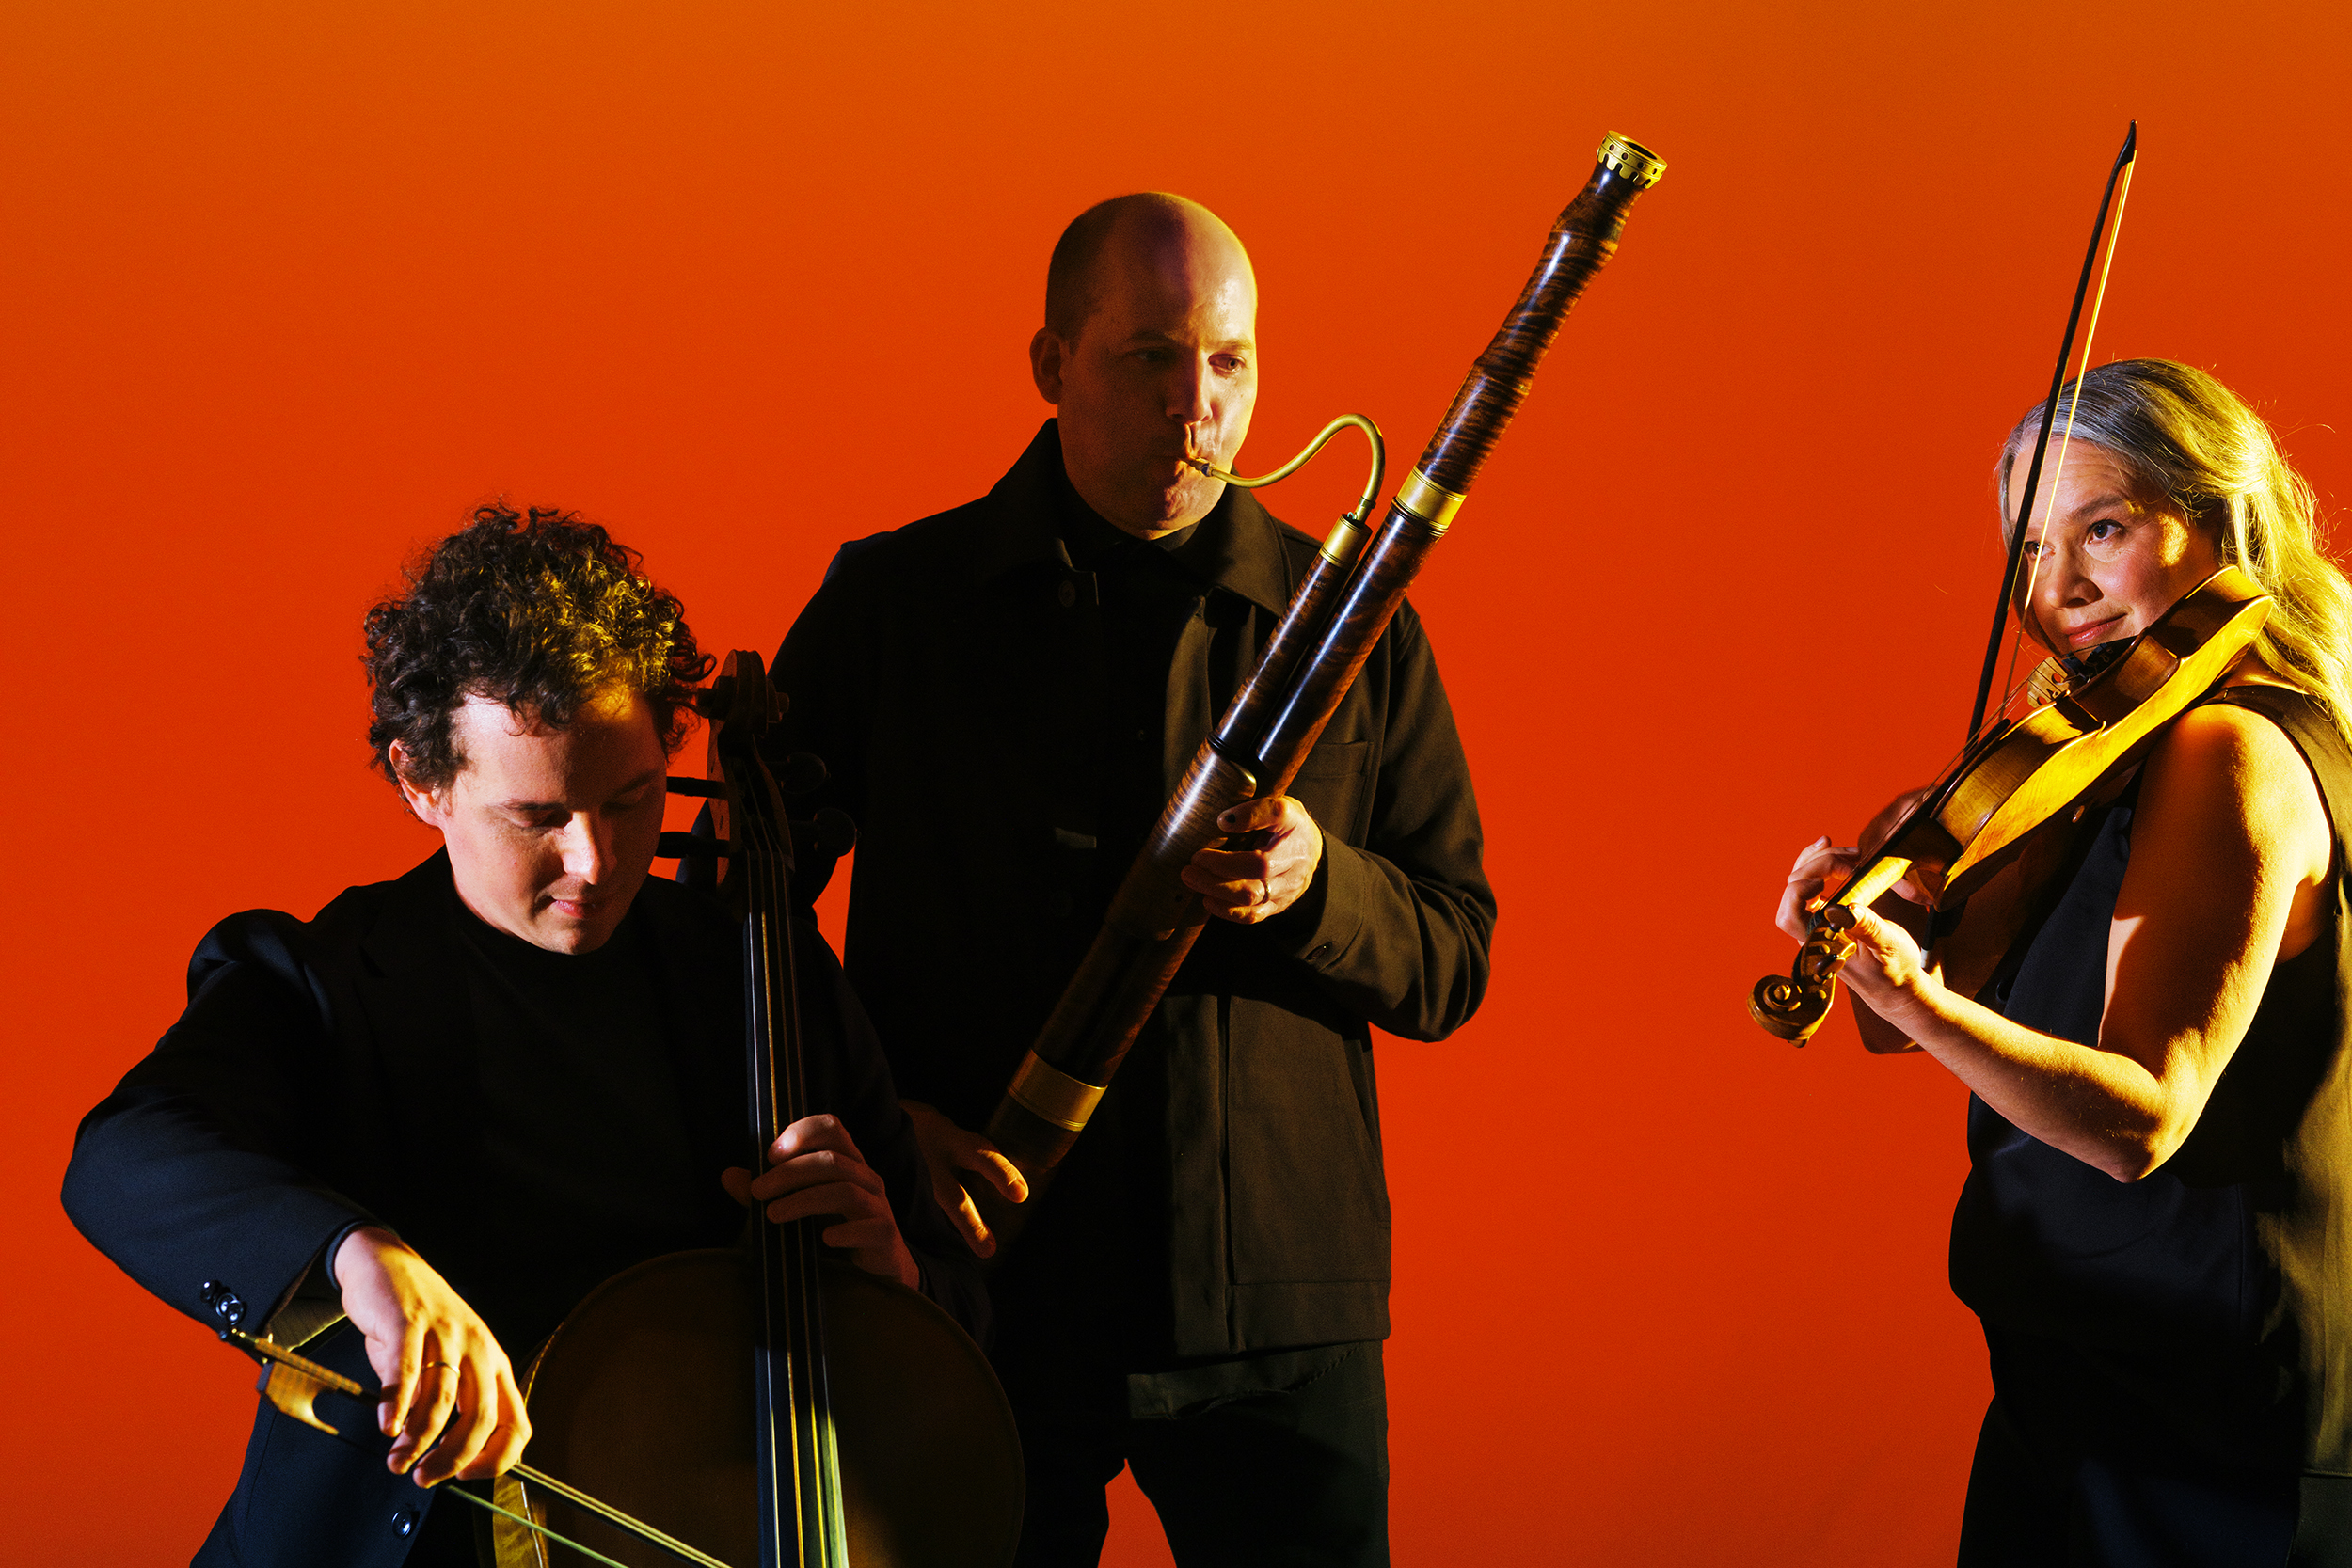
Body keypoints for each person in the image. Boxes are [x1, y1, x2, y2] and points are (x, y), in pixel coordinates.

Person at [761, 192, 1495, 1565]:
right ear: (1050, 366)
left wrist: (1318, 885)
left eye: (1230, 361)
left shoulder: (1353, 623)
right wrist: (881, 1115)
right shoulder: (896, 602)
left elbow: (1455, 953)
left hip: (1280, 1300)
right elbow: (737, 923)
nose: (1196, 403)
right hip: (978, 1278)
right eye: (1151, 356)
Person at [62, 505, 978, 1568]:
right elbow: (124, 1154)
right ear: (421, 780)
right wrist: (357, 1254)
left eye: (632, 799)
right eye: (539, 817)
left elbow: (966, 1314)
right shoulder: (322, 979)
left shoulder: (763, 969)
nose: (593, 859)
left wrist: (899, 1277)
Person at [1777, 359, 2352, 1563]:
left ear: (2220, 521)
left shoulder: (2225, 750)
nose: (2061, 589)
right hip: (2084, 1386)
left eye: (2102, 527)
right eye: (2030, 550)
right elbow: (1920, 1030)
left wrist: (1918, 993)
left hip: (2201, 1431)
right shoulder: (2104, 763)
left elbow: (2136, 1118)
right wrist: (1898, 945)